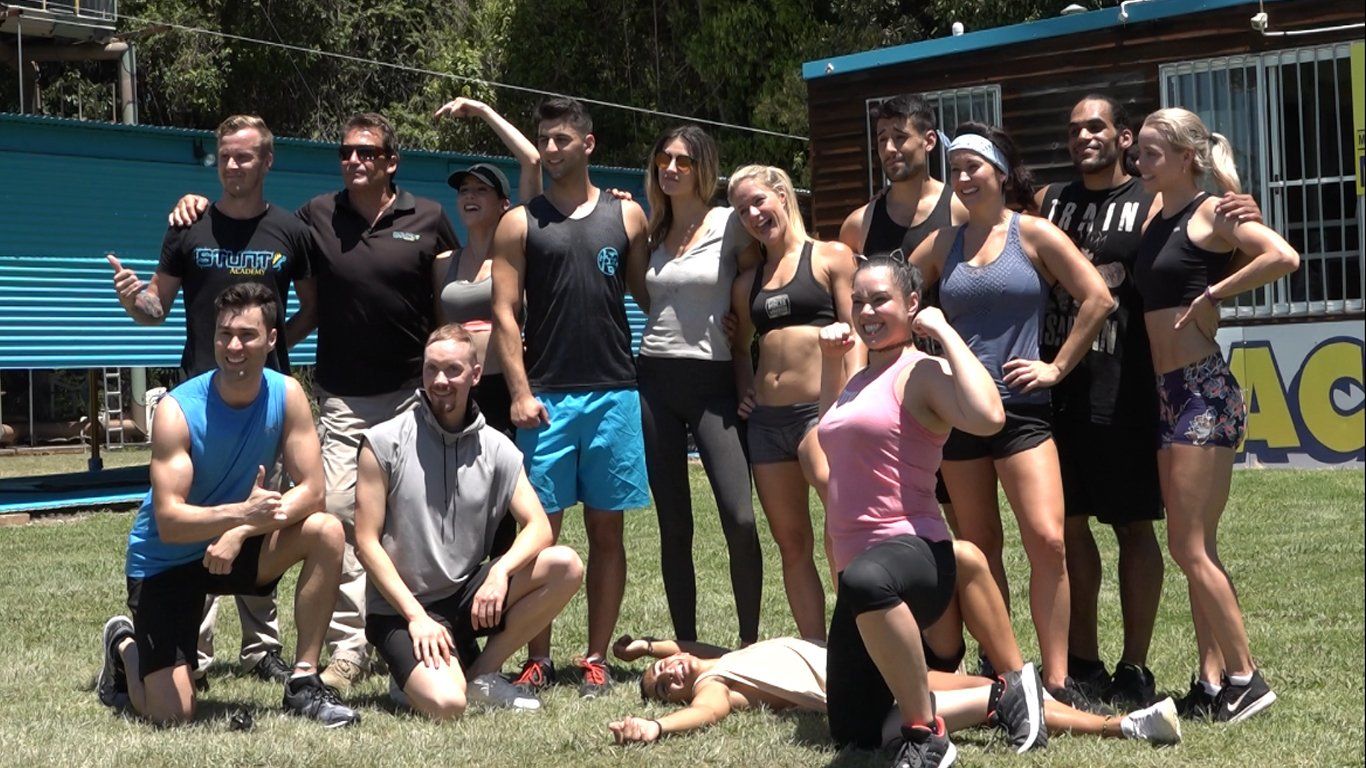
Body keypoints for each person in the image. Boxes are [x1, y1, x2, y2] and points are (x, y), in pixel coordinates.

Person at [169, 113, 461, 692]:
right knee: (345, 519)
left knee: (418, 519)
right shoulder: (314, 218)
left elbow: (451, 295)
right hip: (344, 398)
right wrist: (194, 205)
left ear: (390, 161)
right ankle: (348, 648)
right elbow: (249, 221)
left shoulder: (428, 219)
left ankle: (431, 626)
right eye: (347, 152)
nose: (355, 161)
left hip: (413, 396)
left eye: (368, 152)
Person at [1034, 95, 1262, 706]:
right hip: (1089, 394)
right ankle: (1110, 663)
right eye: (1074, 127)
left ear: (1125, 136)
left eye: (1098, 127)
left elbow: (1231, 245)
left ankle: (1177, 670)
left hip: (1145, 388)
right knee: (1085, 529)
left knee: (1157, 535)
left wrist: (1239, 234)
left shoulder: (1154, 196)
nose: (1085, 136)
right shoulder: (1053, 202)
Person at [108, 113, 318, 686]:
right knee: (199, 517)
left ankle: (262, 649)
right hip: (196, 404)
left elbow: (312, 304)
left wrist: (272, 352)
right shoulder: (189, 225)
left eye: (245, 156)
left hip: (260, 405)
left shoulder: (290, 232)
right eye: (225, 156)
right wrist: (134, 302)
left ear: (267, 161)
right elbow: (156, 305)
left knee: (265, 508)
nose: (233, 165)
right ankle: (190, 653)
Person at [909, 123, 1113, 704]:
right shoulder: (941, 246)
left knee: (1048, 540)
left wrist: (1055, 368)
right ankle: (1007, 673)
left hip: (1024, 410)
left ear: (1001, 173)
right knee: (980, 547)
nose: (965, 177)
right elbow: (899, 291)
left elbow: (1097, 297)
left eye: (975, 166)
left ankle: (1056, 680)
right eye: (956, 169)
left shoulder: (1035, 234)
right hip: (958, 415)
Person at [95, 283, 358, 727]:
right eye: (224, 334)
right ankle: (125, 644)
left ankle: (304, 683)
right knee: (172, 713)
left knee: (326, 530)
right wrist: (240, 515)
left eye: (247, 335)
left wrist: (240, 531)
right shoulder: (179, 410)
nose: (234, 346)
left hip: (238, 542)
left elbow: (312, 490)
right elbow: (170, 521)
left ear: (272, 339)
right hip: (166, 559)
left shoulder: (287, 394)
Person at [1133, 107, 1297, 722]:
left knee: (1188, 545)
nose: (1141, 163)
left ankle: (1247, 677)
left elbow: (1283, 256)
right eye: (1141, 152)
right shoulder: (1156, 214)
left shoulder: (1213, 212)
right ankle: (1210, 681)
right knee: (1195, 544)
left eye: (1151, 153)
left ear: (1184, 158)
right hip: (1169, 394)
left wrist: (1214, 292)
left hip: (1203, 392)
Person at [490, 96, 650, 697]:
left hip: (615, 392)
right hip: (547, 400)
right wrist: (519, 392)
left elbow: (647, 294)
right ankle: (538, 657)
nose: (551, 149)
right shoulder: (519, 222)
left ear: (589, 144)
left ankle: (596, 657)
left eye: (561, 139)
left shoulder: (626, 218)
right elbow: (504, 313)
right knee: (540, 534)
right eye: (544, 139)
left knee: (608, 533)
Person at [353, 323, 584, 718]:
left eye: (453, 370)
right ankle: (413, 675)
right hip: (399, 609)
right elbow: (365, 542)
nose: (441, 381)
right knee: (447, 705)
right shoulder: (383, 442)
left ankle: (480, 673)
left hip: (465, 598)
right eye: (431, 370)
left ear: (476, 375)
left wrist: (500, 573)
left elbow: (539, 526)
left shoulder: (498, 448)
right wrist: (416, 618)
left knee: (565, 565)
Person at [607, 634, 1181, 749]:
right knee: (999, 697)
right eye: (667, 685)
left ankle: (1127, 724)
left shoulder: (716, 657)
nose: (675, 671)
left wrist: (648, 647)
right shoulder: (717, 685)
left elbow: (690, 648)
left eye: (670, 667)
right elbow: (705, 713)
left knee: (1006, 687)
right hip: (872, 691)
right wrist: (656, 726)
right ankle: (1125, 726)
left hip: (879, 666)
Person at [637, 125, 763, 646]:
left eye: (683, 161)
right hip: (654, 379)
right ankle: (686, 642)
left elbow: (758, 285)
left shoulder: (730, 224)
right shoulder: (649, 231)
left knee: (739, 516)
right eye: (664, 158)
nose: (670, 168)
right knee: (675, 524)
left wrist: (745, 336)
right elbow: (648, 301)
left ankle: (750, 644)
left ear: (703, 168)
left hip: (713, 382)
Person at [728, 164, 860, 642]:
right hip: (766, 422)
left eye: (759, 201)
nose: (753, 213)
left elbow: (856, 332)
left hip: (819, 415)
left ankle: (861, 638)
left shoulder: (830, 258)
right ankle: (816, 649)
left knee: (842, 528)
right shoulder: (748, 283)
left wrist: (850, 400)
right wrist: (746, 387)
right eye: (742, 209)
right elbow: (740, 346)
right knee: (791, 543)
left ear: (782, 195)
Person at [838, 93, 966, 536]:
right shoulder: (860, 223)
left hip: (947, 384)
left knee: (974, 532)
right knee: (902, 520)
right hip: (891, 397)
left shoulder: (959, 210)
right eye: (882, 139)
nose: (890, 149)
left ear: (930, 141)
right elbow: (854, 313)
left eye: (900, 137)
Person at [433, 97, 542, 439]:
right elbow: (440, 330)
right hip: (458, 388)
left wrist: (482, 111)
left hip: (508, 387)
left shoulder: (520, 255)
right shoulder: (443, 264)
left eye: (482, 190)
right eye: (465, 190)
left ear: (504, 204)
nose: (470, 196)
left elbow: (532, 160)